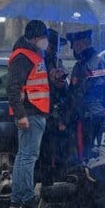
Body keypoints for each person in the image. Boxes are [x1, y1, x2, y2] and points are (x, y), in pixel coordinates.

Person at [7, 20, 50, 208]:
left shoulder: (31, 55)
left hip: (33, 111)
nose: (45, 42)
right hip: (30, 112)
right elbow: (13, 87)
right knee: (28, 156)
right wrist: (21, 114)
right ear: (35, 38)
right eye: (43, 38)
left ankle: (17, 198)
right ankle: (26, 197)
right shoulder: (24, 57)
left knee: (23, 155)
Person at [63, 29, 105, 163]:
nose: (74, 49)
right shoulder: (102, 62)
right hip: (98, 114)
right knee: (94, 151)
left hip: (84, 117)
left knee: (83, 153)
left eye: (74, 45)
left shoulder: (83, 66)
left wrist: (66, 119)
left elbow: (76, 96)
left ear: (81, 45)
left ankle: (85, 180)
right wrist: (99, 106)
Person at [39, 29, 70, 186]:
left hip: (55, 112)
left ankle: (53, 181)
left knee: (55, 151)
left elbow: (64, 88)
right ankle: (48, 182)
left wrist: (61, 81)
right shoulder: (41, 61)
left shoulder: (57, 62)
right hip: (46, 111)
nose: (55, 49)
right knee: (47, 152)